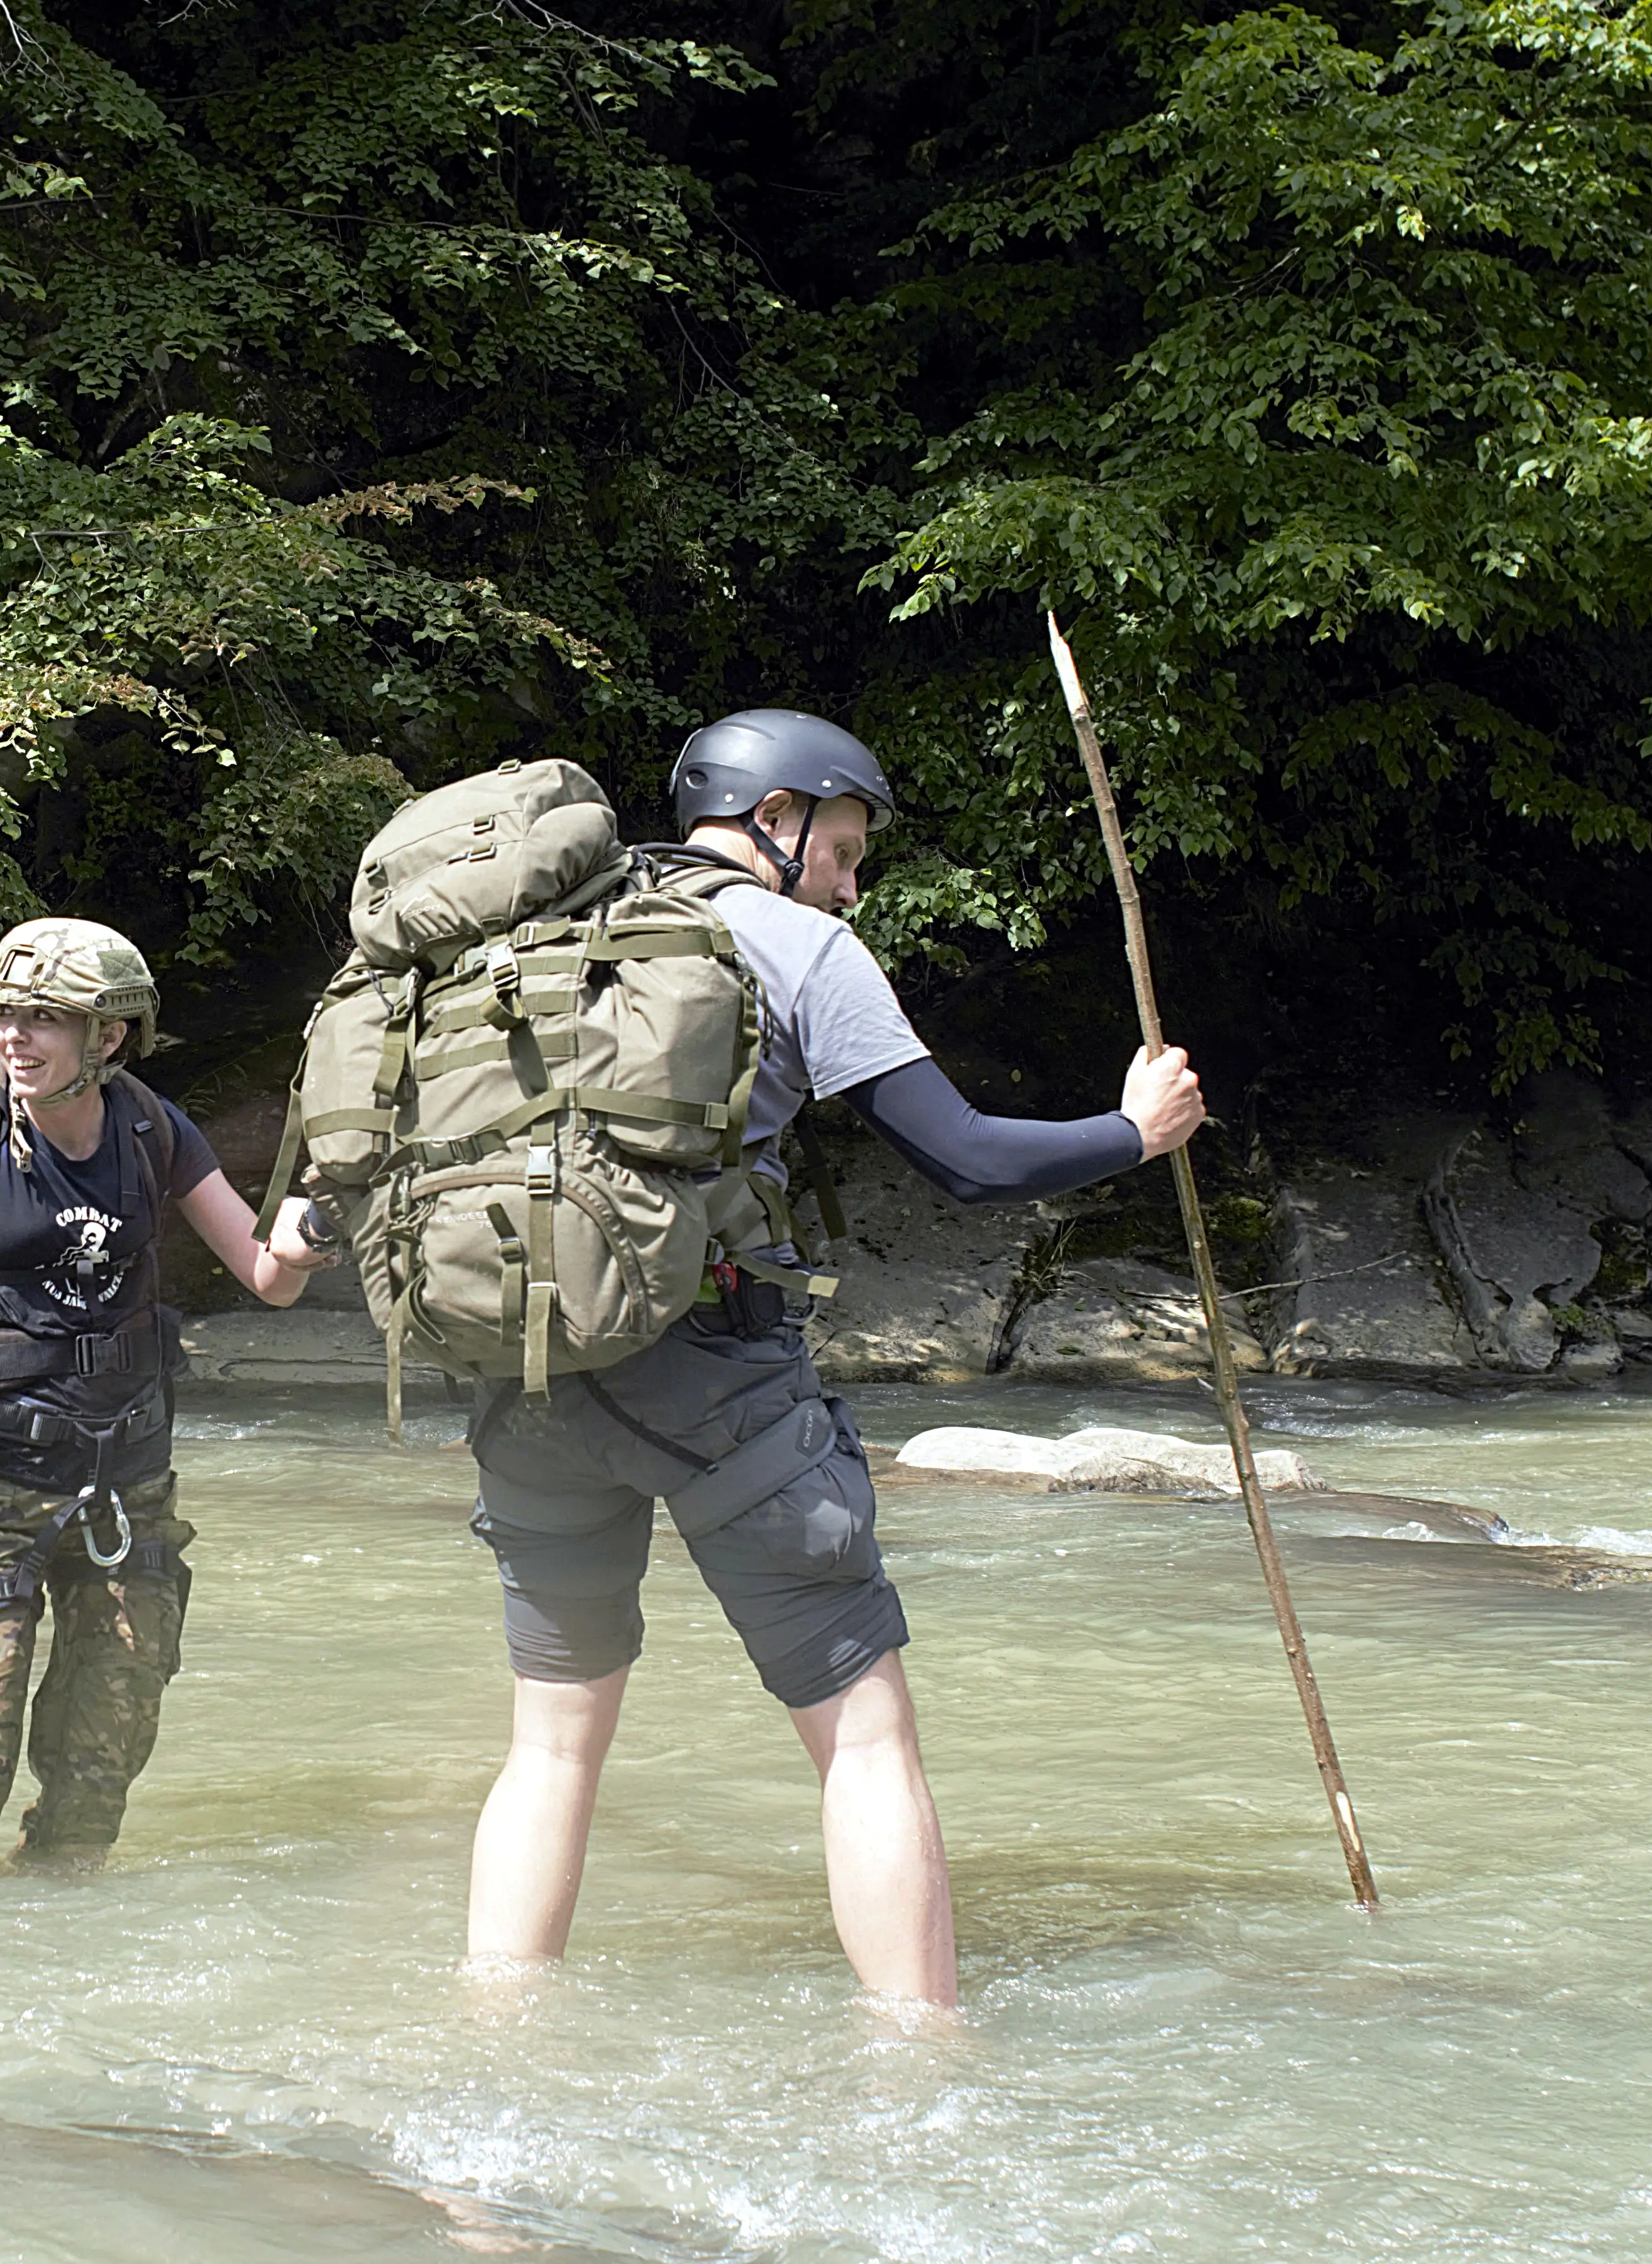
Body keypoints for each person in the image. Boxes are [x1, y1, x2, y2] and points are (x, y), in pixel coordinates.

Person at [458, 710, 1207, 2004]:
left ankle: (495, 2032)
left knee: (552, 1748)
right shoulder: (801, 945)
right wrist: (1133, 1131)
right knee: (865, 1737)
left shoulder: (526, 935)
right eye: (846, 846)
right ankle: (920, 2060)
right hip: (714, 1374)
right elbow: (966, 1156)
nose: (853, 881)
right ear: (778, 816)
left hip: (525, 1367)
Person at [0, 918, 336, 1870]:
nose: (13, 1039)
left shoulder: (153, 1126)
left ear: (108, 1037)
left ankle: (51, 1957)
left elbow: (268, 1278)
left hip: (129, 1481)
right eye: (5, 1017)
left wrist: (312, 1232)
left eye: (43, 1020)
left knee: (97, 1776)